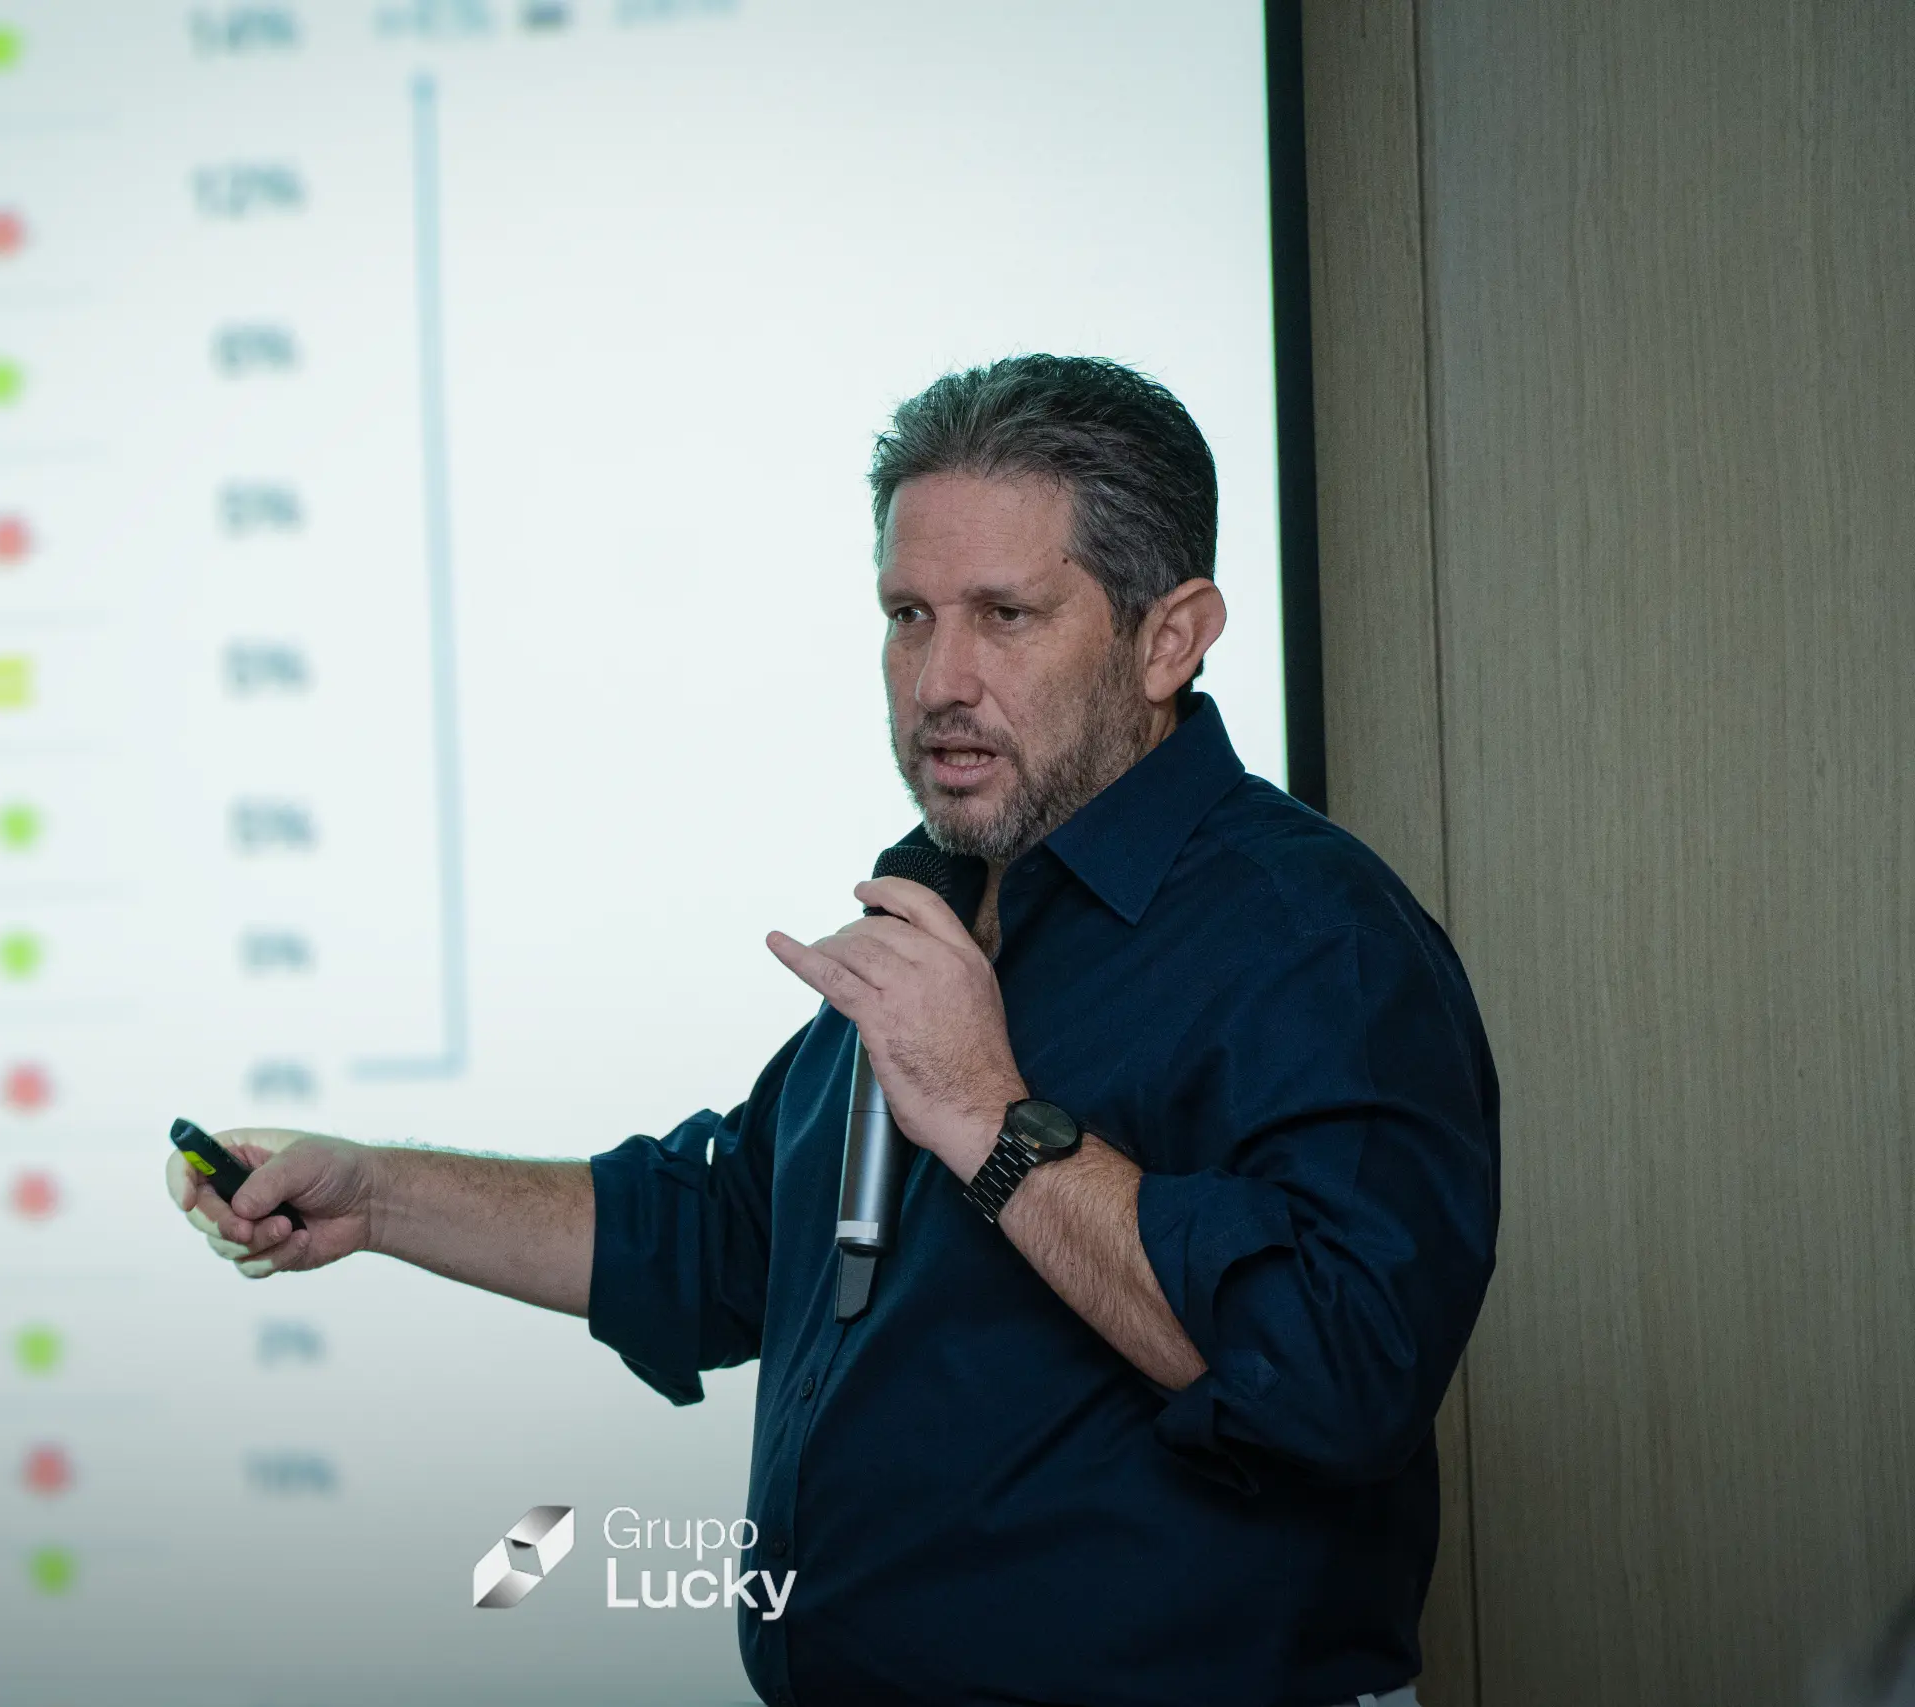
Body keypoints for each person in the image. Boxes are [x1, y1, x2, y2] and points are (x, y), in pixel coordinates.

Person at [164, 355, 1500, 1707]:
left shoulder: (1315, 939)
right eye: (909, 614)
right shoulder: (937, 912)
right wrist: (377, 1196)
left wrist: (988, 1115)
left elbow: (1337, 1376)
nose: (940, 679)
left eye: (1006, 615)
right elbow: (720, 1239)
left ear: (1170, 635)